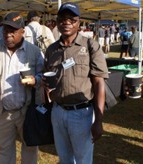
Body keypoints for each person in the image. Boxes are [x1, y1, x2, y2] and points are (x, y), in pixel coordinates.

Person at [44, 2, 108, 164]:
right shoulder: (51, 50)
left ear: (79, 23)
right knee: (64, 158)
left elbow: (99, 82)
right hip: (57, 112)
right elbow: (47, 79)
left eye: (72, 19)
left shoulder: (90, 46)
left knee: (83, 159)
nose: (66, 23)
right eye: (62, 19)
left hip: (82, 113)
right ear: (57, 22)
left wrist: (99, 120)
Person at [0, 12, 44, 164]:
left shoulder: (34, 52)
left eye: (13, 31)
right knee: (4, 149)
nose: (8, 35)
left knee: (30, 147)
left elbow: (44, 76)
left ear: (22, 32)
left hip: (26, 111)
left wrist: (35, 80)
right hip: (1, 112)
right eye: (5, 30)